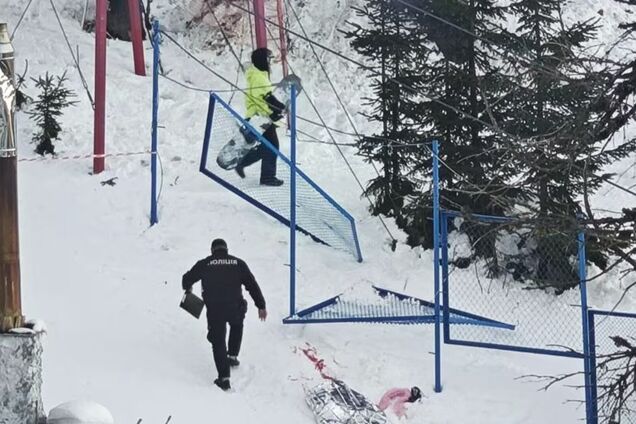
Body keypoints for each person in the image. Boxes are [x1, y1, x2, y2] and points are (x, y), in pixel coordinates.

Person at [182, 238, 267, 391]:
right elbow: (252, 285)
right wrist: (261, 305)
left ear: (212, 251)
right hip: (235, 307)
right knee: (237, 325)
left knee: (218, 341)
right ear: (226, 250)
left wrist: (188, 289)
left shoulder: (205, 263)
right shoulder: (238, 263)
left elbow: (186, 279)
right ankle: (233, 357)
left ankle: (224, 378)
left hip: (215, 310)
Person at [235, 48, 287, 186]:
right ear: (263, 60)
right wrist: (276, 110)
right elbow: (265, 98)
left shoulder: (258, 74)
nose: (270, 63)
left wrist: (276, 109)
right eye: (268, 60)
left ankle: (244, 163)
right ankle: (267, 177)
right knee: (272, 146)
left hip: (259, 117)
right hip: (259, 119)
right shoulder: (258, 77)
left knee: (268, 147)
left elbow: (266, 97)